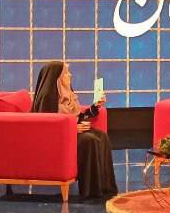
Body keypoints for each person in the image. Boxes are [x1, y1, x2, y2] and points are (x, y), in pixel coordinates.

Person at [32, 61, 117, 199]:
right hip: (58, 139)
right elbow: (46, 127)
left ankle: (105, 187)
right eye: (66, 72)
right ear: (57, 77)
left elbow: (76, 117)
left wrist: (94, 107)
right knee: (89, 140)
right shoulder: (47, 97)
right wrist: (72, 129)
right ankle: (91, 190)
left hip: (71, 134)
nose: (70, 75)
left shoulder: (68, 94)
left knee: (102, 136)